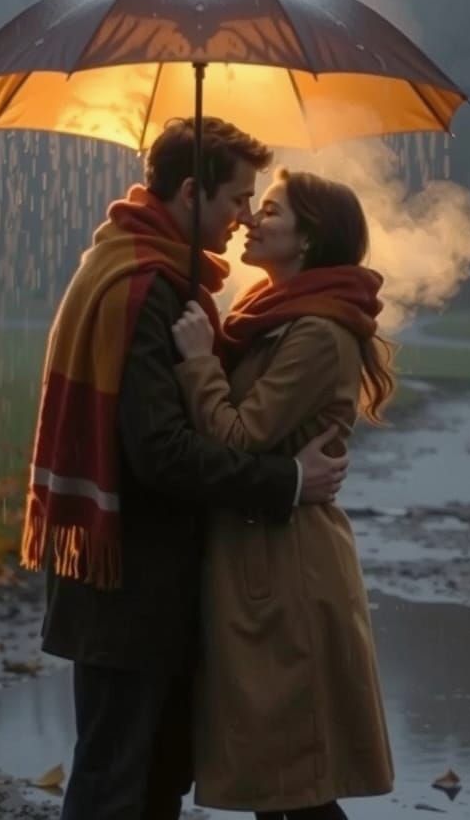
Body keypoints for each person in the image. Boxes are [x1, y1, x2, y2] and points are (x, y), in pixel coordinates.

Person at [20, 119, 349, 820]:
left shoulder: (144, 270)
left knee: (149, 777)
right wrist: (286, 481)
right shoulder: (147, 288)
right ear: (192, 190)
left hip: (138, 582)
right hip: (131, 583)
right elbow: (160, 452)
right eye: (236, 198)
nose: (241, 218)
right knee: (119, 781)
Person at [171, 169, 395, 820]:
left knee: (295, 785)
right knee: (283, 784)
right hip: (261, 556)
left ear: (308, 238)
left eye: (270, 211)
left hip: (286, 571)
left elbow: (240, 435)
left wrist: (197, 362)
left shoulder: (317, 332)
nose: (249, 220)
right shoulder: (274, 316)